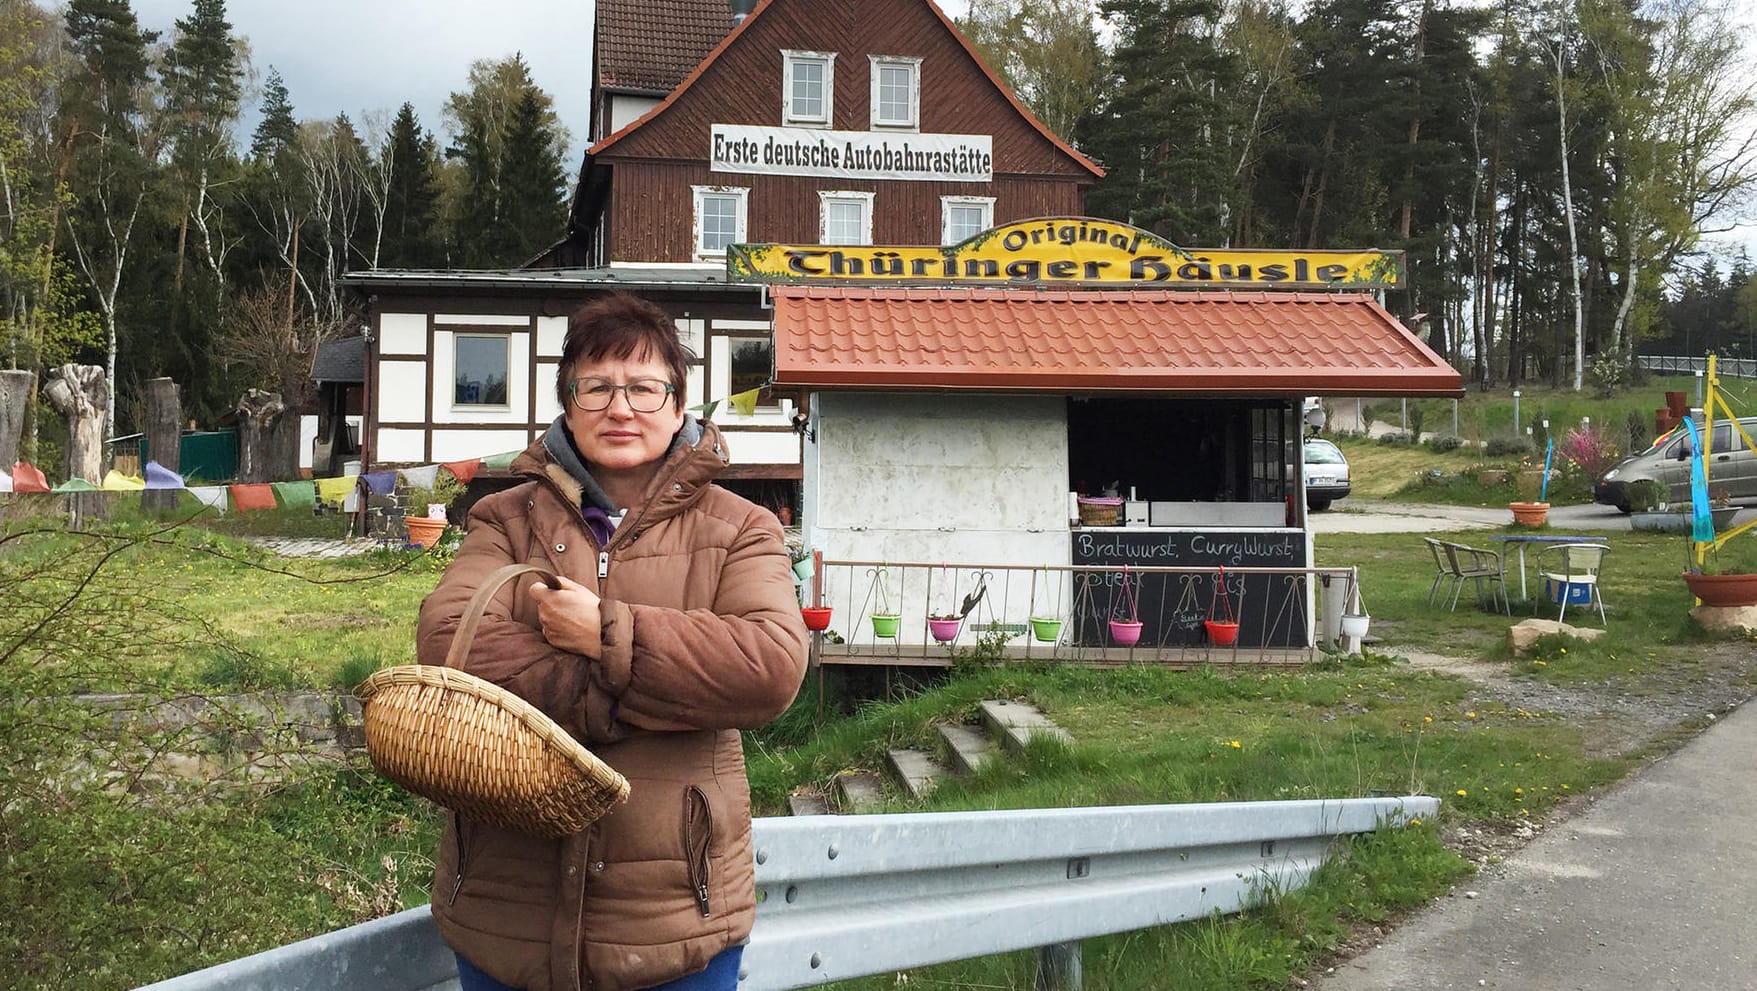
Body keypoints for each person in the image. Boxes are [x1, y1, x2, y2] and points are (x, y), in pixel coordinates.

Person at [416, 294, 810, 991]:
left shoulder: (742, 528)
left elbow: (769, 666)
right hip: (504, 909)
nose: (619, 407)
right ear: (567, 401)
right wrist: (618, 693)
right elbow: (450, 641)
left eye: (642, 386)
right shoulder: (503, 518)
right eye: (595, 386)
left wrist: (605, 630)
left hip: (675, 918)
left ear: (679, 401)